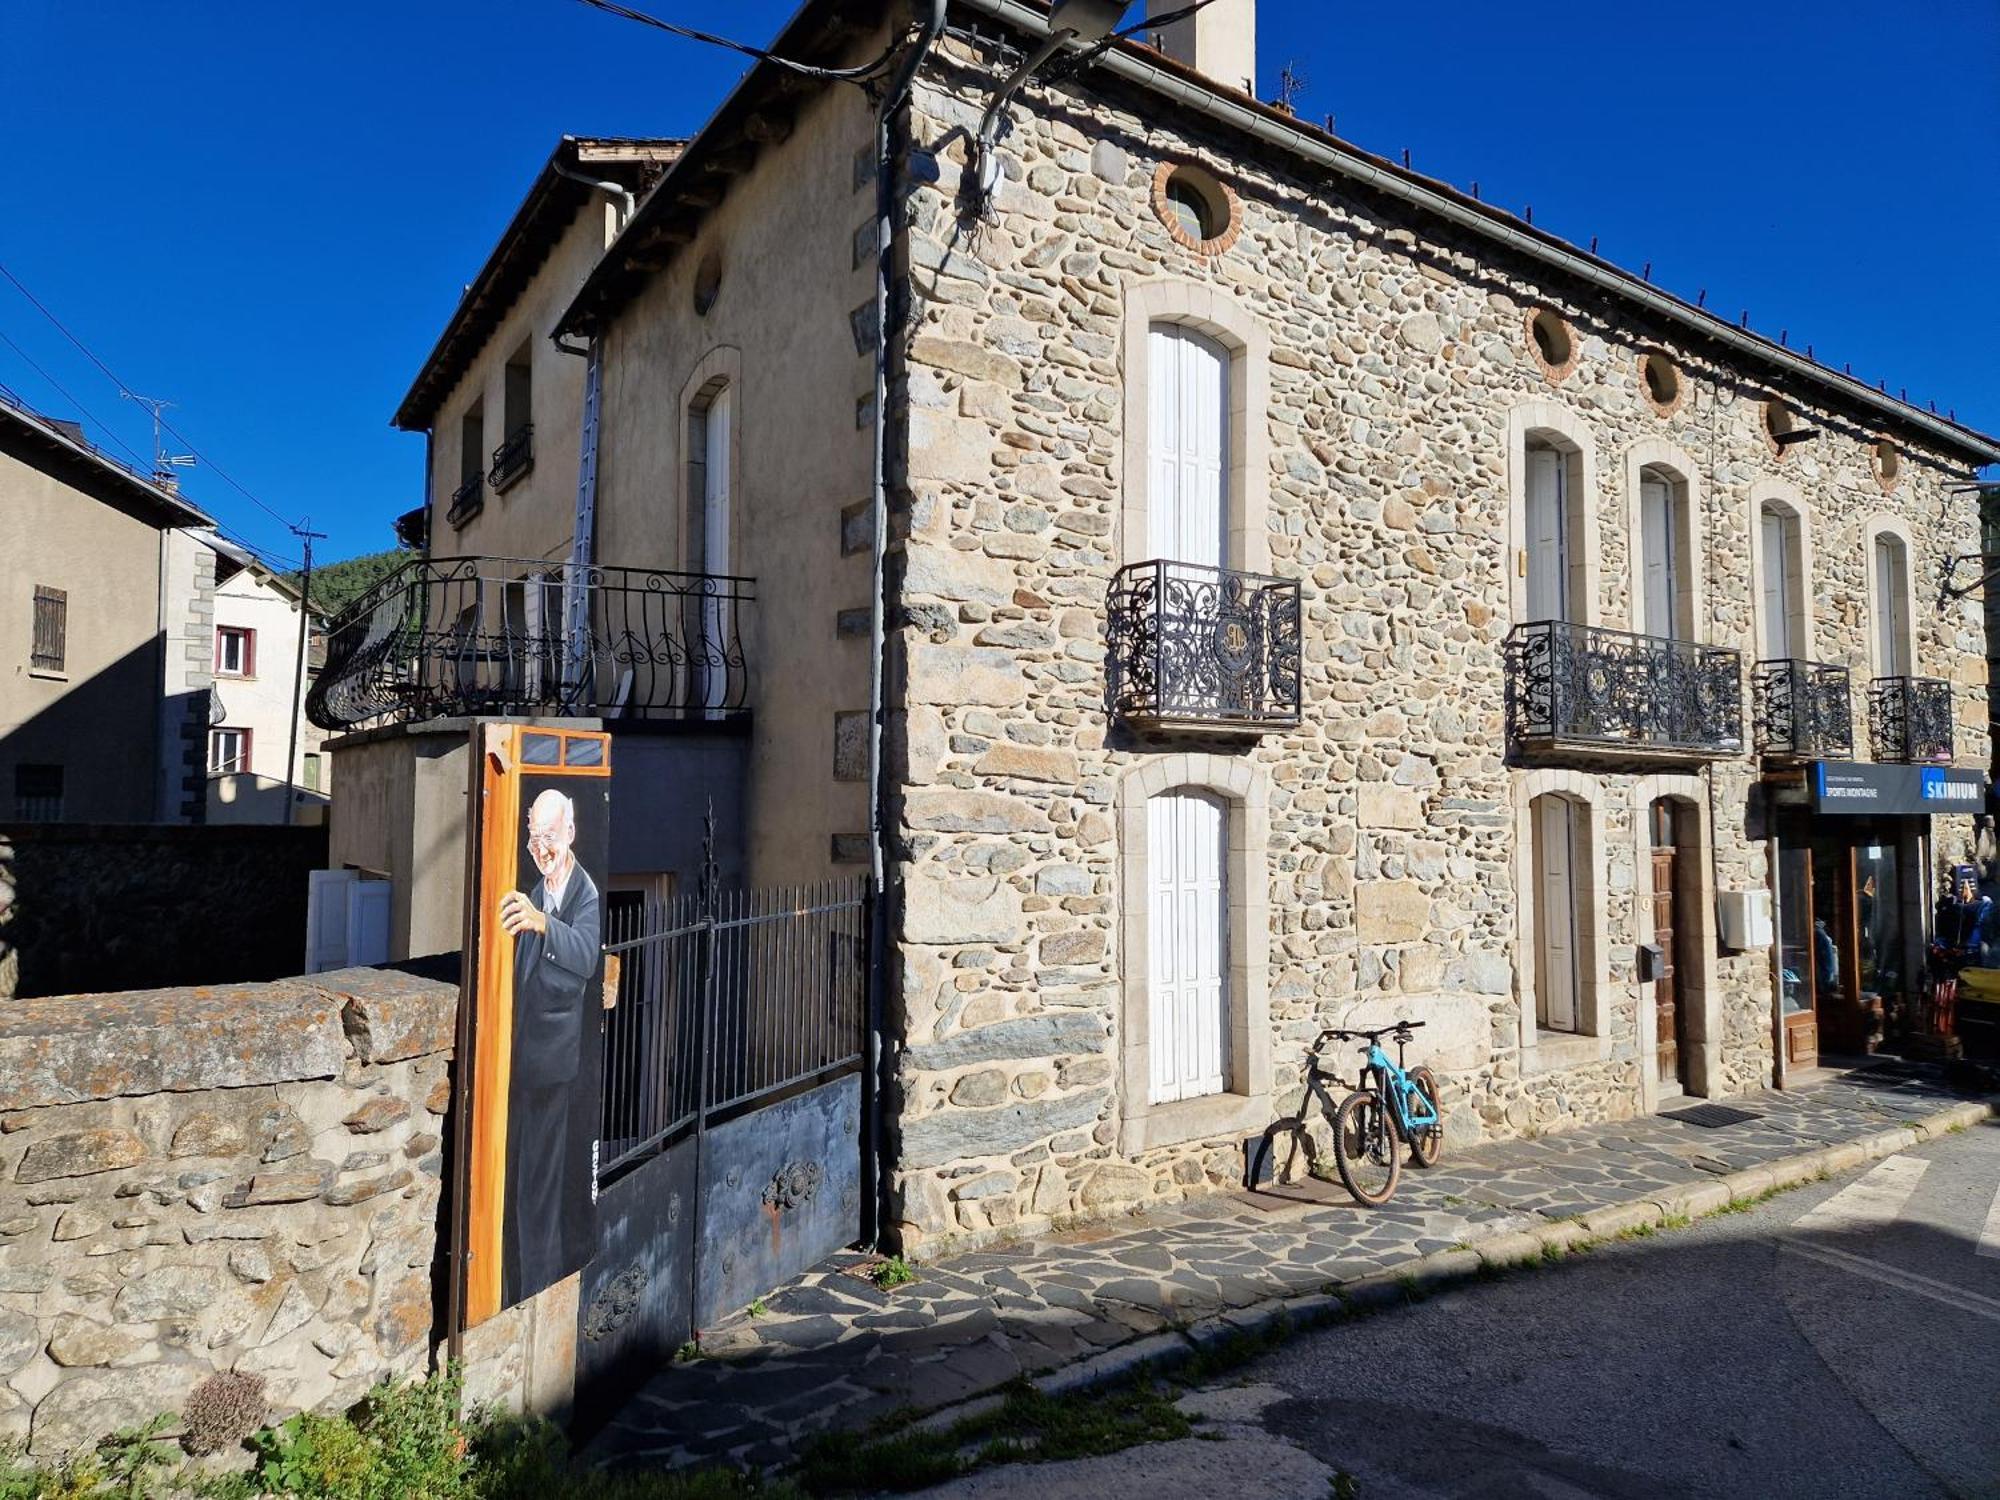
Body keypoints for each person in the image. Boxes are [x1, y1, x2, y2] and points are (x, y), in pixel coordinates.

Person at [497, 787, 601, 1304]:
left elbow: (585, 954)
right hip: (521, 1063)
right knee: (521, 1183)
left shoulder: (583, 893)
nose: (541, 848)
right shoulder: (537, 891)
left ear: (571, 835)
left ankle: (535, 1289)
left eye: (550, 838)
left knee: (539, 1188)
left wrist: (542, 925)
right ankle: (522, 1281)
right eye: (535, 837)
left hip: (553, 1067)